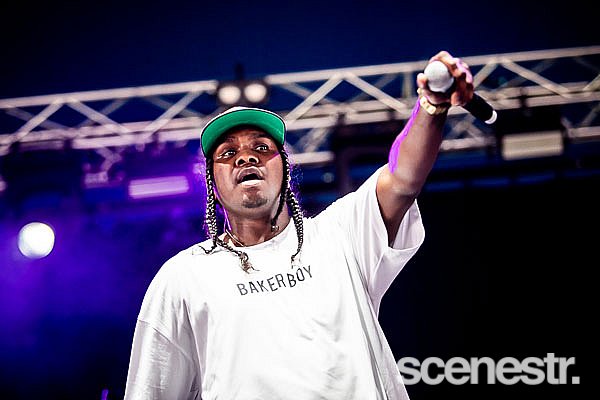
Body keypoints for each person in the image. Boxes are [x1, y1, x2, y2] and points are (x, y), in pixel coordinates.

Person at [123, 50, 474, 400]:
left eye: (262, 147)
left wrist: (431, 105)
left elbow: (402, 178)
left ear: (285, 170)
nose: (246, 156)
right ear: (212, 184)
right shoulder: (184, 277)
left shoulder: (340, 235)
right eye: (228, 153)